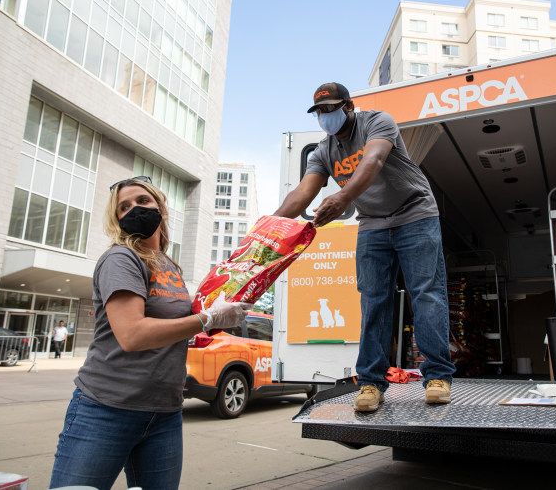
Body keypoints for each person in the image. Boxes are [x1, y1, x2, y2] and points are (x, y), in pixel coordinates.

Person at [49, 176, 252, 490]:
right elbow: (133, 334)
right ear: (116, 219)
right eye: (124, 207)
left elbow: (175, 331)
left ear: (161, 208)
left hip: (164, 413)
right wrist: (207, 319)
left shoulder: (169, 266)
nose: (134, 209)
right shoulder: (121, 259)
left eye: (142, 201)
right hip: (106, 410)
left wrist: (225, 311)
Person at [273, 83, 456, 412]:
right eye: (320, 112)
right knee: (373, 301)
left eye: (331, 108)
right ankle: (371, 383)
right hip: (373, 223)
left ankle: (438, 376)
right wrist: (271, 228)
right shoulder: (323, 152)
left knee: (426, 294)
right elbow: (303, 191)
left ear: (349, 106)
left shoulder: (377, 122)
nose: (325, 116)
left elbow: (373, 161)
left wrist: (343, 197)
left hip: (415, 214)